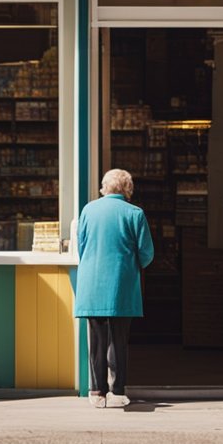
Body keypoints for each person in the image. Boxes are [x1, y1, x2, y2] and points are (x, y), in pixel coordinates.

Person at [74, 169, 154, 409]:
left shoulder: (88, 210)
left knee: (96, 341)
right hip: (121, 284)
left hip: (92, 284)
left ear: (105, 188)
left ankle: (97, 392)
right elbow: (147, 253)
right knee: (119, 340)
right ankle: (117, 391)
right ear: (127, 189)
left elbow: (82, 245)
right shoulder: (135, 214)